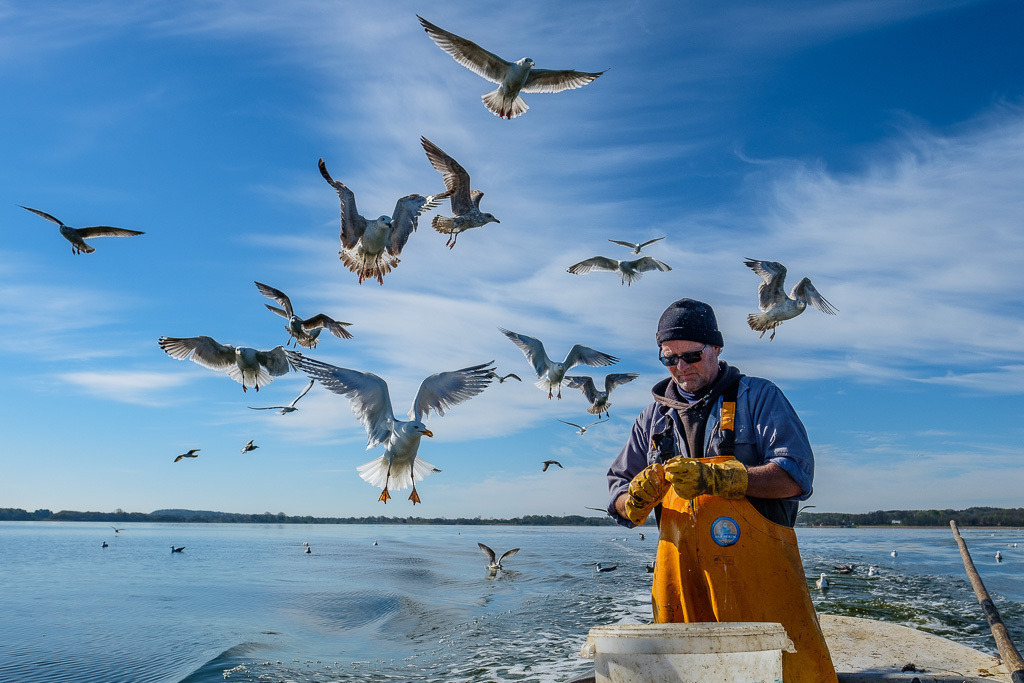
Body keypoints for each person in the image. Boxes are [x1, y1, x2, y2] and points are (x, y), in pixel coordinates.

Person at [606, 298, 836, 683]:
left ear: (716, 349)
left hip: (760, 582)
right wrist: (637, 499)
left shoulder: (759, 398)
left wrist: (728, 479)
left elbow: (796, 474)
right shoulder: (652, 418)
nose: (680, 367)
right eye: (669, 358)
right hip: (680, 583)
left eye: (692, 355)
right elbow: (618, 494)